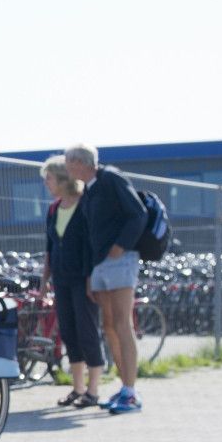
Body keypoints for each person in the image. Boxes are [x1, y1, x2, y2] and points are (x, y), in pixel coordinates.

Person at [63, 144, 147, 413]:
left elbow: (138, 214)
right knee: (109, 325)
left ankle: (132, 393)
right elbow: (90, 235)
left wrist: (121, 245)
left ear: (80, 162)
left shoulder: (111, 179)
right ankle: (124, 387)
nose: (66, 169)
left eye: (68, 163)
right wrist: (90, 273)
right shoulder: (89, 189)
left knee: (123, 323)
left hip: (120, 261)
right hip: (100, 266)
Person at [39, 157, 104, 407]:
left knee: (87, 331)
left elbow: (91, 245)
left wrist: (91, 279)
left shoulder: (85, 204)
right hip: (61, 279)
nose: (46, 183)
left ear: (63, 178)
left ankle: (94, 390)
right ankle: (77, 388)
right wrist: (45, 279)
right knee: (68, 332)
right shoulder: (54, 209)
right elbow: (49, 247)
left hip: (82, 279)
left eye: (49, 178)